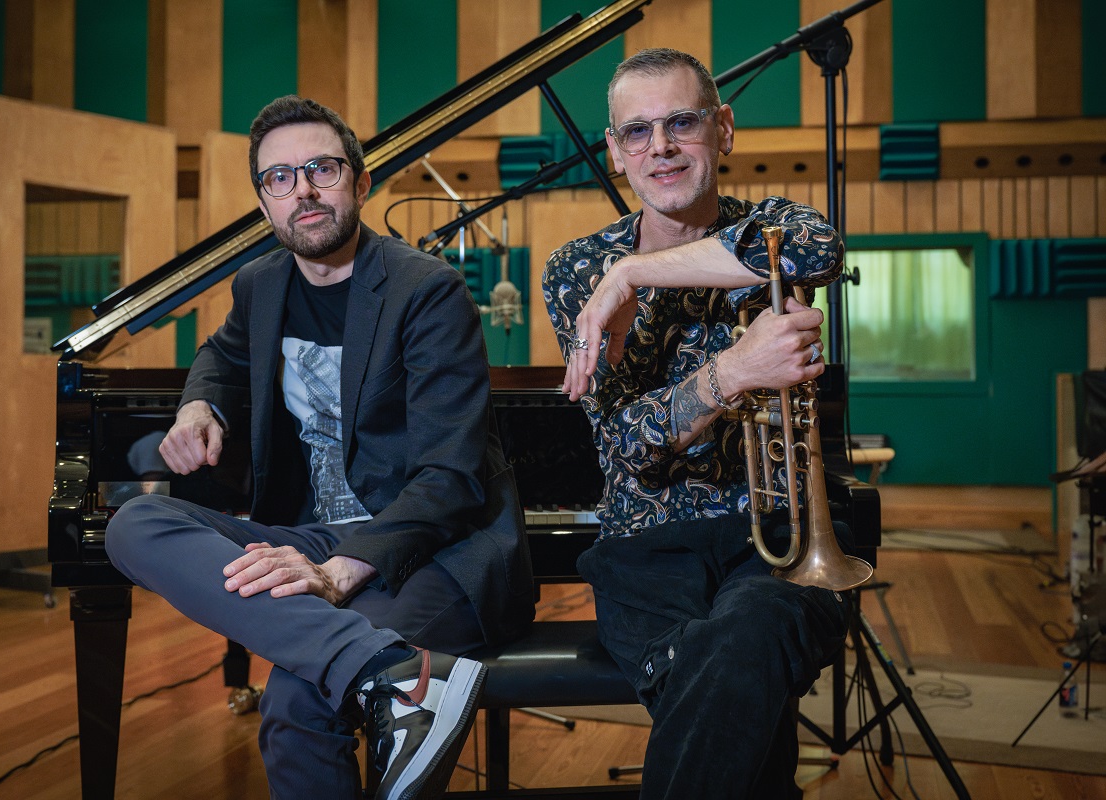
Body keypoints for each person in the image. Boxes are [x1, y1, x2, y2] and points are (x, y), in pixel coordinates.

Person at [106, 95, 534, 800]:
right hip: (312, 534)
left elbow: (450, 479)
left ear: (360, 184)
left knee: (296, 700)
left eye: (321, 170)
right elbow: (221, 354)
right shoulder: (261, 283)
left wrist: (338, 574)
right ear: (264, 201)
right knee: (135, 522)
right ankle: (385, 672)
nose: (301, 190)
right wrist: (199, 403)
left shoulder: (427, 290)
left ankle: (373, 669)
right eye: (279, 177)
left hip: (431, 550)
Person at [542, 49, 852, 798]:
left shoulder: (774, 229)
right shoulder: (576, 269)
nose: (662, 147)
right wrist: (735, 371)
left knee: (747, 638)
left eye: (682, 122)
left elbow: (822, 249)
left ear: (724, 130)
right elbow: (624, 447)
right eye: (638, 131)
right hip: (643, 555)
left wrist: (633, 272)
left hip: (773, 541)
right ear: (615, 151)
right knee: (744, 673)